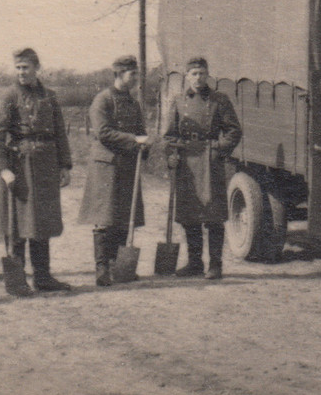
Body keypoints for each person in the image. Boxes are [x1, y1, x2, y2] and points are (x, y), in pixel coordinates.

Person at [0, 48, 73, 293]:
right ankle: (17, 279)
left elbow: (59, 133)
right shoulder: (9, 96)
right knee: (18, 224)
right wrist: (2, 169)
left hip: (46, 167)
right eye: (18, 68)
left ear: (37, 68)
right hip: (19, 167)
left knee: (41, 223)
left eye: (26, 67)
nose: (21, 72)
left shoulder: (50, 97)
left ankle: (43, 277)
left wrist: (65, 165)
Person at [164, 57, 242, 279]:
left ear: (208, 75)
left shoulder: (220, 100)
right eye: (194, 74)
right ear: (187, 76)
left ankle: (215, 265)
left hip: (210, 161)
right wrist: (172, 156)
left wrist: (218, 148)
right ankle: (195, 263)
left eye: (202, 73)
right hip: (187, 162)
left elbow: (234, 131)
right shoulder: (179, 101)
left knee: (213, 214)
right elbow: (169, 136)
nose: (198, 78)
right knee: (190, 214)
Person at [79, 55, 150, 286]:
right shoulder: (103, 100)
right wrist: (134, 139)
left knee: (123, 217)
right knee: (104, 217)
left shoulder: (132, 102)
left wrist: (145, 144)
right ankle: (102, 269)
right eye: (132, 74)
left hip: (128, 165)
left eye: (136, 73)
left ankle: (118, 267)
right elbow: (104, 132)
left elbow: (141, 129)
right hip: (106, 166)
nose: (136, 78)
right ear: (119, 74)